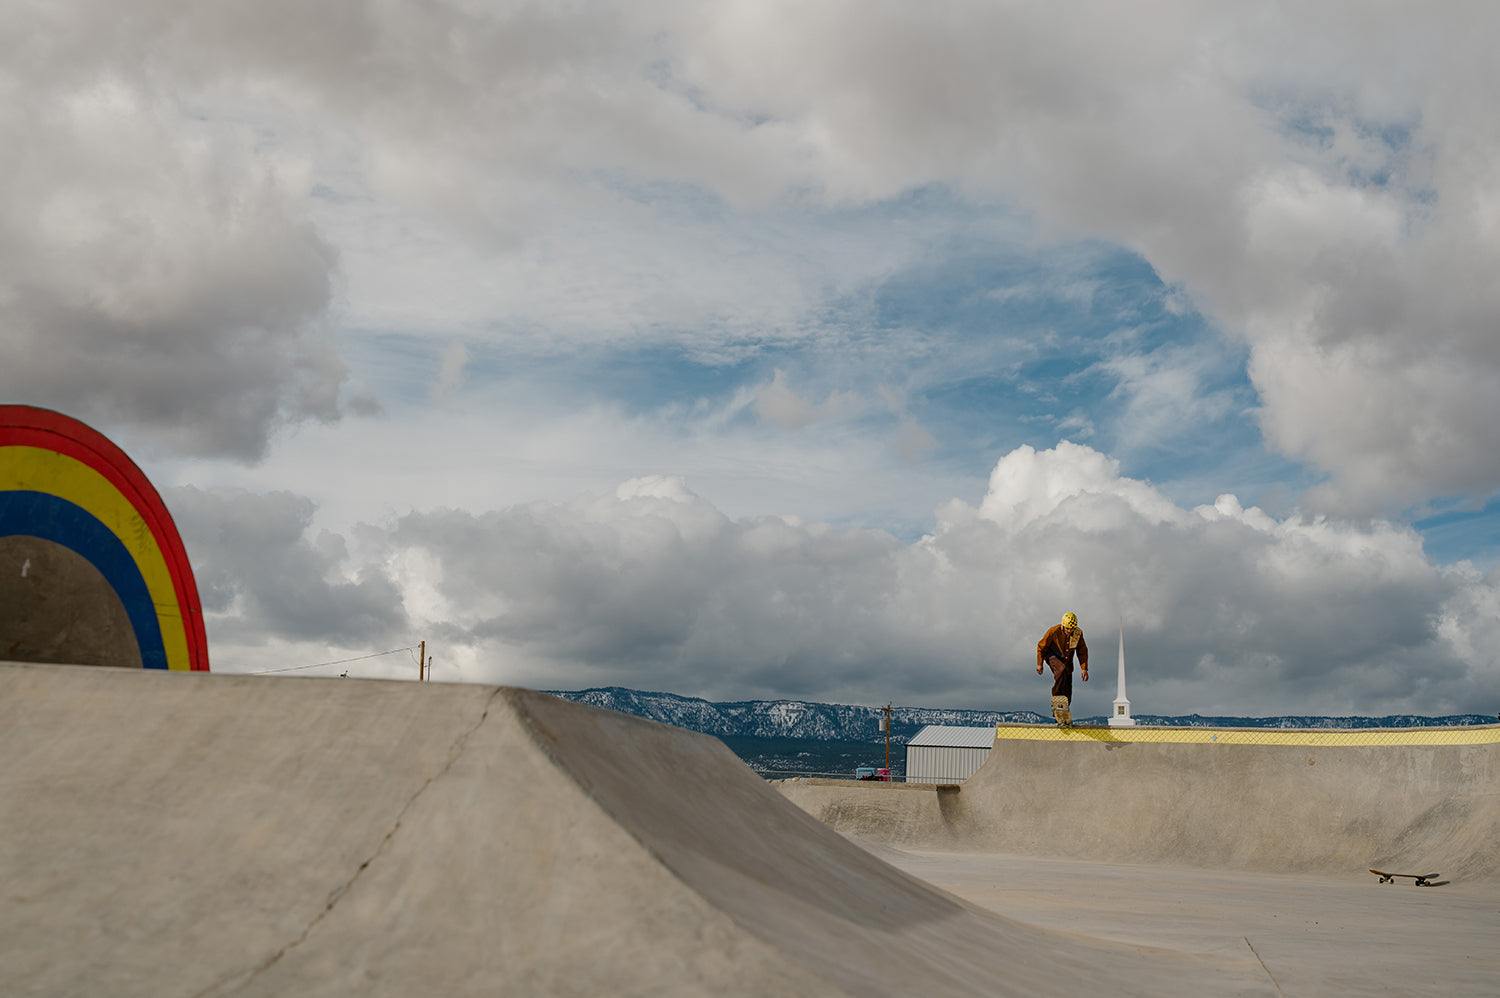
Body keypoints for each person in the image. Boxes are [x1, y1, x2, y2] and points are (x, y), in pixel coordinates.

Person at [1036, 612, 1088, 728]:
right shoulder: (1053, 631)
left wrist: (1084, 668)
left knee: (1068, 685)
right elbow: (1041, 647)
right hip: (1051, 655)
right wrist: (1039, 664)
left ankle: (1063, 713)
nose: (1069, 631)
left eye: (1072, 629)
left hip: (1067, 661)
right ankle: (1056, 702)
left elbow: (1082, 651)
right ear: (1063, 626)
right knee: (1061, 670)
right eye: (1067, 629)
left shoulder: (1078, 634)